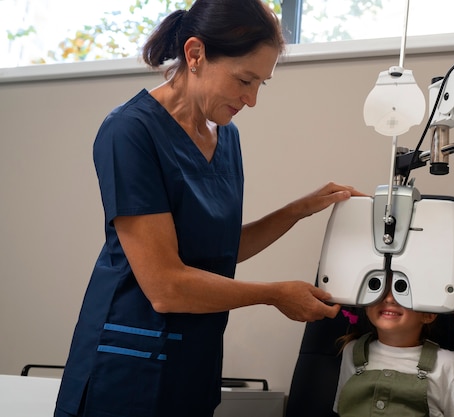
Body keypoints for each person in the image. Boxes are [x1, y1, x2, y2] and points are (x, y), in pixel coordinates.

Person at [53, 1, 365, 416]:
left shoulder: (227, 137)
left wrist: (300, 209)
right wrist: (273, 295)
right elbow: (165, 285)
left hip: (194, 359)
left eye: (260, 85)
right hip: (127, 361)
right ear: (195, 54)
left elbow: (217, 251)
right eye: (244, 80)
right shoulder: (130, 131)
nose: (251, 100)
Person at [333, 284, 454, 417]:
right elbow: (341, 409)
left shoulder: (447, 364)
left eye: (402, 288)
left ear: (428, 314)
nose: (389, 298)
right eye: (379, 287)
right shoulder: (352, 351)